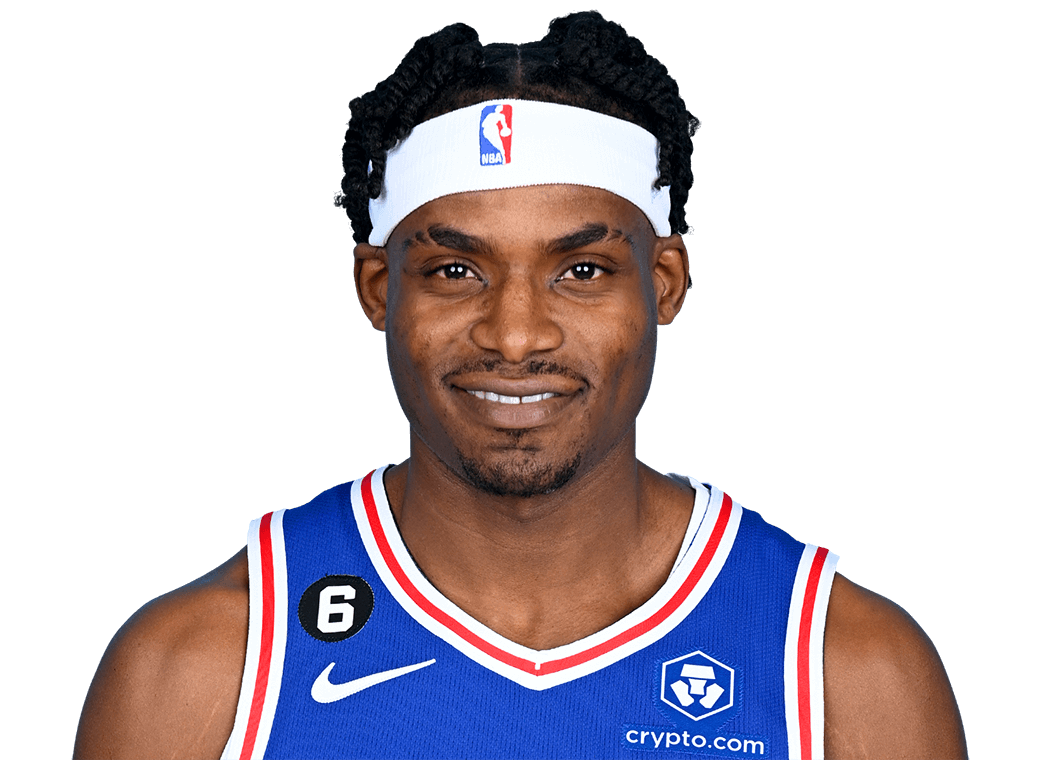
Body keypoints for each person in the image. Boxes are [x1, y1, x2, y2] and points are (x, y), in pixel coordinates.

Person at [73, 11, 968, 759]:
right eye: (455, 272)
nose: (514, 335)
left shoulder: (843, 671)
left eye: (581, 271)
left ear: (663, 283)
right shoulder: (203, 669)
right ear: (379, 290)